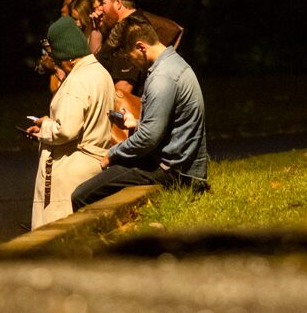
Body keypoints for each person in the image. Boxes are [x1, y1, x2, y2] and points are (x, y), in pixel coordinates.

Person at [71, 19, 208, 211]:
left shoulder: (162, 77)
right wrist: (136, 123)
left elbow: (148, 139)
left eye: (131, 57)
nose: (133, 64)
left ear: (141, 47)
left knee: (80, 195)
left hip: (170, 171)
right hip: (179, 164)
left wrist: (113, 154)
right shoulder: (174, 63)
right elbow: (168, 126)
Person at [26, 15, 116, 229]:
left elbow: (66, 131)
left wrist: (45, 126)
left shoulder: (77, 81)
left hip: (70, 168)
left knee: (57, 231)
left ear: (70, 58)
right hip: (95, 163)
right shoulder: (101, 73)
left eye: (60, 61)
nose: (59, 67)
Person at [88, 0, 183, 97]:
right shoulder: (119, 27)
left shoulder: (131, 31)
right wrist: (96, 30)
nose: (99, 9)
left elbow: (122, 91)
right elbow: (97, 64)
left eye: (103, 3)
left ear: (117, 3)